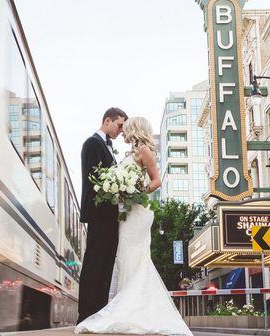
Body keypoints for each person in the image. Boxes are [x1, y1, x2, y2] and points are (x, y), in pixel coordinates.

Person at [75, 117, 192, 335]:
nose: (123, 133)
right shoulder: (132, 152)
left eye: (126, 129)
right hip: (127, 213)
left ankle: (133, 311)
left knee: (134, 255)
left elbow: (156, 180)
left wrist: (137, 193)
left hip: (139, 212)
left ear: (134, 130)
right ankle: (128, 308)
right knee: (126, 256)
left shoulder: (145, 150)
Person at [77, 107, 128, 324]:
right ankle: (86, 315)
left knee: (106, 264)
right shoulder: (92, 143)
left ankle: (99, 313)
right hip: (99, 213)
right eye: (119, 125)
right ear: (108, 120)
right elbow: (93, 179)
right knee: (95, 263)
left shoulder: (107, 147)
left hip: (110, 215)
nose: (121, 131)